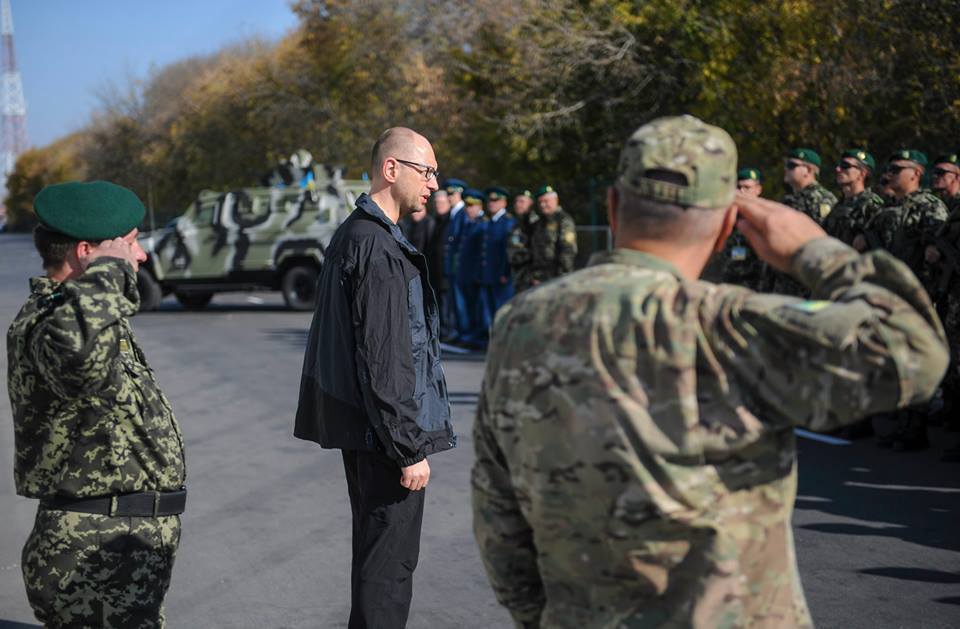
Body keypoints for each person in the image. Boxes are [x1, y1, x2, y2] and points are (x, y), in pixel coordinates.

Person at [471, 115, 947, 628]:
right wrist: (815, 250)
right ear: (727, 228)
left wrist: (545, 617)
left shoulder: (523, 321)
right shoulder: (731, 324)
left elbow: (499, 510)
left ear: (612, 206)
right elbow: (914, 351)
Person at [295, 127, 456, 628]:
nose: (433, 183)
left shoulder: (354, 233)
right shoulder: (379, 248)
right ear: (393, 170)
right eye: (425, 171)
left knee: (373, 559)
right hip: (388, 438)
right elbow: (386, 360)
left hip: (367, 432)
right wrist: (409, 447)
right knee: (389, 570)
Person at [7, 181, 187, 628]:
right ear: (87, 252)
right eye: (130, 243)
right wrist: (108, 271)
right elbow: (79, 361)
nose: (140, 256)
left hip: (117, 549)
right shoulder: (52, 322)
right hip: (90, 553)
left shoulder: (82, 315)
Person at [775, 148, 837, 295]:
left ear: (808, 170)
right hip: (785, 281)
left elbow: (824, 241)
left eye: (791, 165)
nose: (786, 169)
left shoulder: (822, 200)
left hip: (806, 284)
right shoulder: (788, 200)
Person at [709, 167, 770, 291]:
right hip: (728, 283)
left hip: (754, 287)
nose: (741, 192)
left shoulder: (765, 218)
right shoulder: (728, 215)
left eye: (747, 187)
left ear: (758, 190)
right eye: (738, 187)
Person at [823, 149, 884, 247]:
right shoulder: (839, 205)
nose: (838, 169)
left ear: (862, 174)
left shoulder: (871, 204)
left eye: (845, 166)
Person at [527, 185, 577, 286]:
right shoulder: (539, 222)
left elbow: (568, 251)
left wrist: (562, 278)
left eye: (546, 201)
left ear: (556, 200)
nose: (543, 205)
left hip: (556, 279)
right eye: (540, 202)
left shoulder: (563, 220)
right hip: (538, 278)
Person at [481, 186, 515, 315]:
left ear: (504, 202)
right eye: (490, 200)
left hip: (501, 276)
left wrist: (505, 273)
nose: (491, 203)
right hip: (488, 274)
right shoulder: (490, 222)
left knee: (502, 311)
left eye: (496, 200)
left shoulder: (508, 222)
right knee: (489, 312)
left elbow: (508, 251)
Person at [508, 189, 537, 293]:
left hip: (529, 276)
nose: (518, 204)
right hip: (518, 275)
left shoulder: (535, 224)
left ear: (530, 203)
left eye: (522, 201)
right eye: (516, 201)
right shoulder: (517, 223)